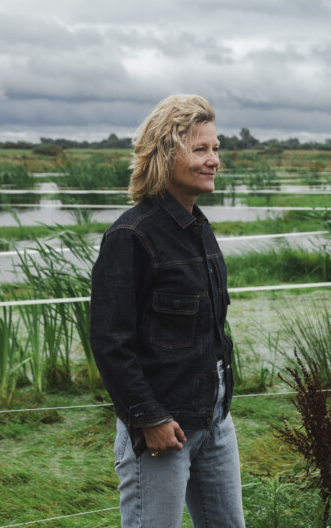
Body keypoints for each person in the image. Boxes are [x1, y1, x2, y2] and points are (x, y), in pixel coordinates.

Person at [89, 94, 244, 527]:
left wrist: (220, 405)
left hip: (213, 420)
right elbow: (110, 340)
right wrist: (149, 418)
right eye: (200, 149)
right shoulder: (131, 236)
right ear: (165, 153)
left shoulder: (200, 229)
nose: (214, 160)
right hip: (162, 428)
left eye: (215, 149)